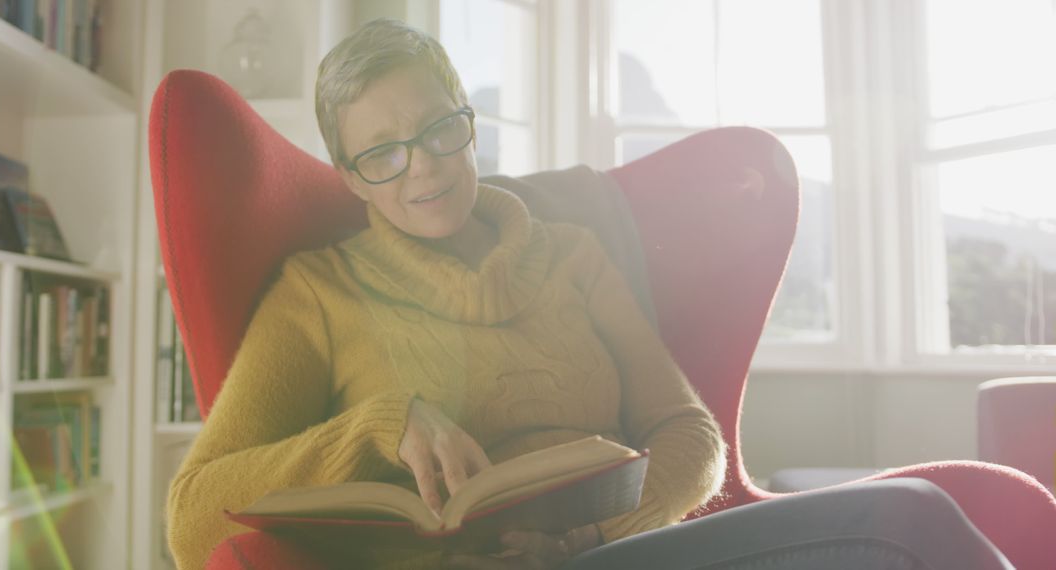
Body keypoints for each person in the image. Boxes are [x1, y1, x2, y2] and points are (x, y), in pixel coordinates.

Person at [166, 18, 1013, 570]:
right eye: (382, 153)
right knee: (903, 521)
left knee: (912, 521)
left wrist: (595, 536)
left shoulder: (571, 255)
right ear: (350, 179)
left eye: (437, 129)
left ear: (469, 122)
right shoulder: (318, 293)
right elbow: (194, 516)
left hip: (622, 553)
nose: (421, 163)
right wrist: (379, 426)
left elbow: (687, 429)